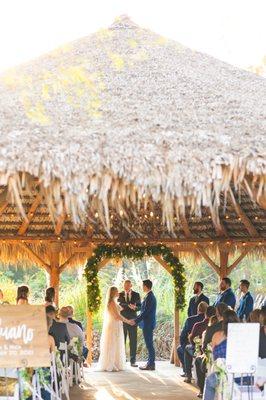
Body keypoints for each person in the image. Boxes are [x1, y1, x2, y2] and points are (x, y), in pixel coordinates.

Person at [203, 310, 239, 400]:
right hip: (241, 374)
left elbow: (214, 354)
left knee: (209, 382)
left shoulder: (217, 335)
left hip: (223, 374)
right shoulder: (242, 336)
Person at [195, 303, 228, 398]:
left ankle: (201, 390)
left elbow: (204, 347)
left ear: (217, 312)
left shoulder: (212, 328)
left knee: (198, 361)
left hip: (217, 365)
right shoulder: (235, 328)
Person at [97, 286, 131, 371]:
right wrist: (127, 321)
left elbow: (120, 309)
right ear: (113, 293)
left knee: (116, 343)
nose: (118, 293)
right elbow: (116, 316)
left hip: (117, 325)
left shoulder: (114, 302)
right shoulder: (111, 302)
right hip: (113, 325)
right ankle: (110, 364)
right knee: (112, 343)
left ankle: (116, 362)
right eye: (117, 291)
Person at [183, 306, 216, 384]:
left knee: (187, 348)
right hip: (213, 351)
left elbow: (191, 338)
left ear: (205, 314)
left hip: (199, 350)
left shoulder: (198, 325)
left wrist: (194, 344)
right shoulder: (218, 326)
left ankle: (188, 375)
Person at [129, 279, 157, 371]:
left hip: (148, 324)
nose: (142, 287)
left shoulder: (150, 297)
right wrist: (136, 308)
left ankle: (151, 364)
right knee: (149, 344)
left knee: (149, 344)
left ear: (146, 286)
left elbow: (145, 312)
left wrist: (136, 320)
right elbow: (143, 308)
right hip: (147, 323)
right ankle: (150, 363)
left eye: (142, 285)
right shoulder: (149, 296)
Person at [177, 301, 208, 374]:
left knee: (180, 349)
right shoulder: (211, 321)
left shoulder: (190, 320)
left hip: (195, 347)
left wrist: (184, 345)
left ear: (198, 310)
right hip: (208, 349)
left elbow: (183, 336)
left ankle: (187, 373)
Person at [118, 280, 141, 367]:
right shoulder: (120, 294)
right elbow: (120, 304)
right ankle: (122, 360)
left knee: (133, 340)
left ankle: (133, 361)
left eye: (128, 285)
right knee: (122, 340)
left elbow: (139, 306)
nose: (126, 286)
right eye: (125, 285)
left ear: (131, 285)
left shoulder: (136, 294)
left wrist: (135, 307)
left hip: (133, 320)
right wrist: (128, 305)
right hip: (122, 320)